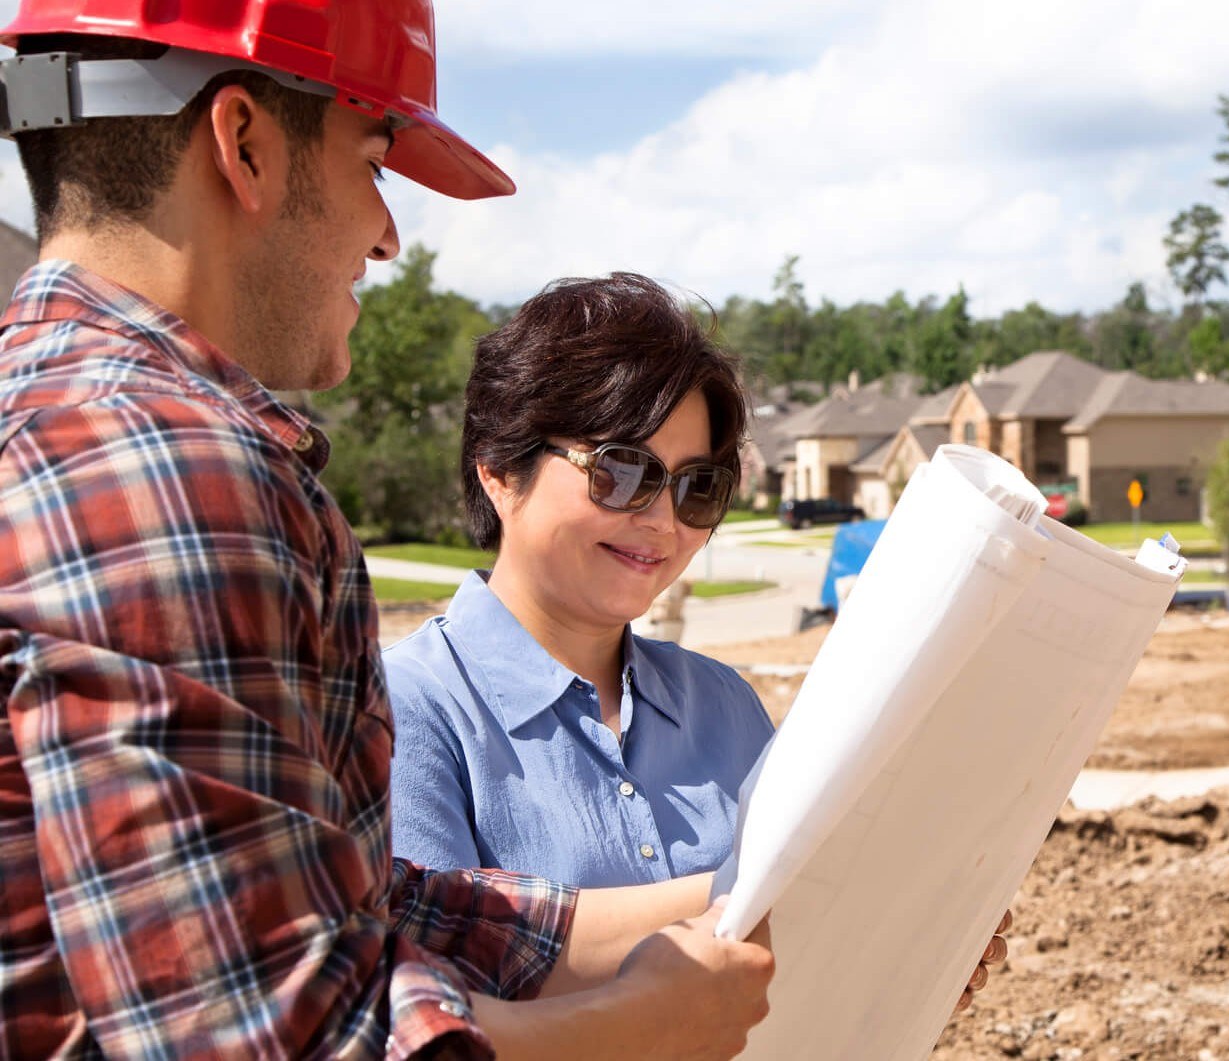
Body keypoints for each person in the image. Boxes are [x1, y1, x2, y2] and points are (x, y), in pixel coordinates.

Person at [0, 3, 774, 1057]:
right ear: (243, 144)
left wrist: (772, 902)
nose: (387, 235)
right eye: (373, 162)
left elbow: (369, 907)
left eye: (697, 487)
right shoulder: (160, 467)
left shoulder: (61, 417)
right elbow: (280, 1035)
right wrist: (642, 1024)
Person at [388, 273, 1008, 1010]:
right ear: (498, 468)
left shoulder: (725, 704)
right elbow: (419, 1004)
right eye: (622, 471)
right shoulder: (397, 711)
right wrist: (814, 900)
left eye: (698, 487)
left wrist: (896, 954)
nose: (662, 520)